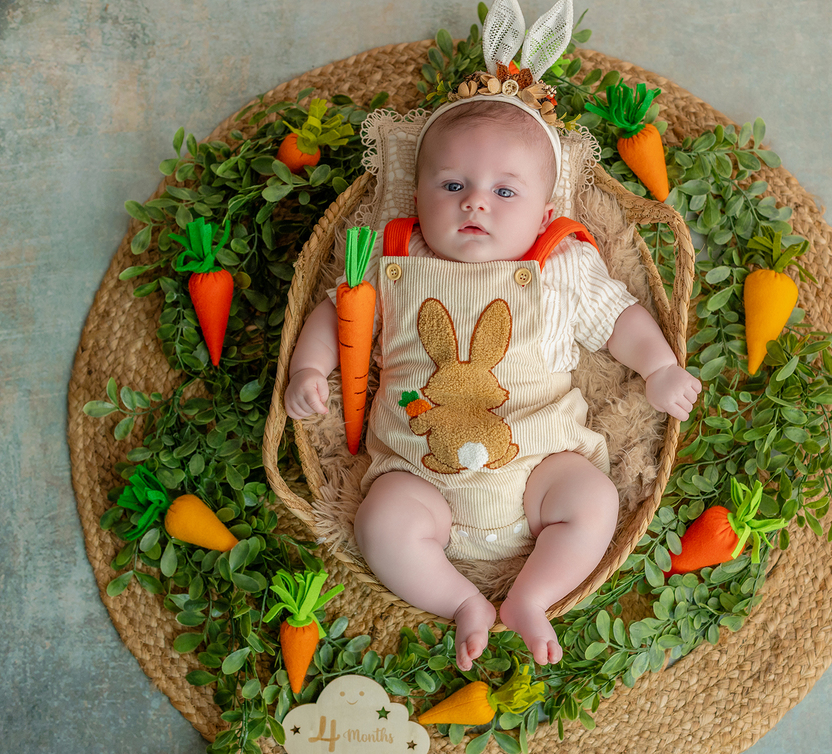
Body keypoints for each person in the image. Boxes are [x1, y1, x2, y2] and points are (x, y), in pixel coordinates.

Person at [284, 89, 701, 670]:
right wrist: (309, 367)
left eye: (505, 192)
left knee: (593, 501)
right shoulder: (392, 257)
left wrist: (657, 367)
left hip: (540, 464)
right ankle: (462, 601)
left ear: (545, 215)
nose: (475, 204)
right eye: (452, 186)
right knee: (379, 523)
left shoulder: (559, 263)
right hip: (419, 474)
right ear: (418, 195)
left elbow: (617, 317)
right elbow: (336, 312)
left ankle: (531, 596)